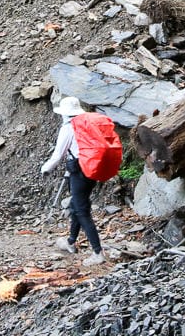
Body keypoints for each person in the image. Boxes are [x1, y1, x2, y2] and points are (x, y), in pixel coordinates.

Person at [41, 96, 105, 266]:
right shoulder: (89, 123)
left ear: (65, 113)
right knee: (76, 205)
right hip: (93, 169)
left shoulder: (68, 128)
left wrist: (45, 169)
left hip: (79, 172)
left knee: (82, 211)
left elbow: (58, 155)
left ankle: (97, 252)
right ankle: (70, 241)